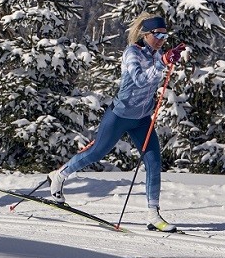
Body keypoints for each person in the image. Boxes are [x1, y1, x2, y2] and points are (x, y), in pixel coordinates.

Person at [47, 12, 185, 232]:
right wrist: (163, 61)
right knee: (96, 153)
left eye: (164, 36)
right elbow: (140, 79)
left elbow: (157, 69)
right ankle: (60, 175)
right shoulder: (132, 52)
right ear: (146, 34)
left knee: (154, 163)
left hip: (142, 119)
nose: (161, 40)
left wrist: (165, 59)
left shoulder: (157, 55)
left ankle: (153, 214)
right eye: (157, 35)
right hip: (119, 116)